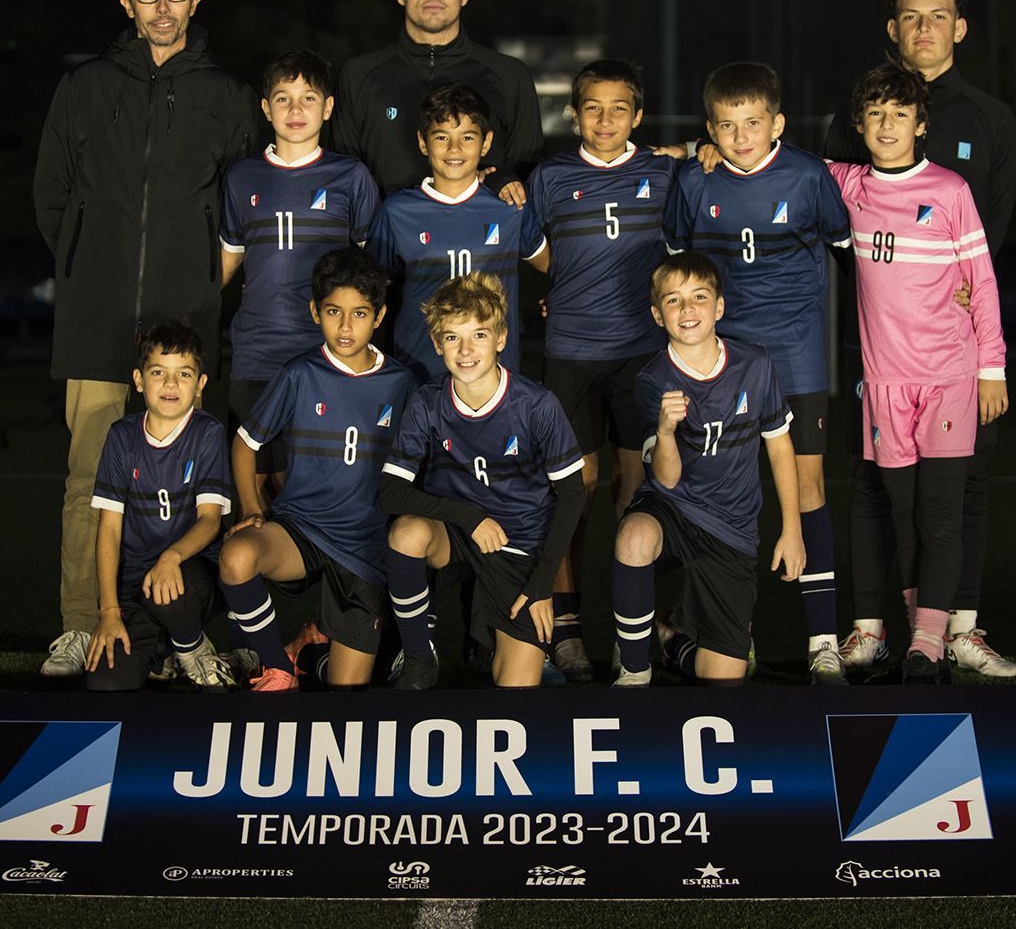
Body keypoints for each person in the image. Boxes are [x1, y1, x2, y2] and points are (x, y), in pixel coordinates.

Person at [33, 0, 260, 678]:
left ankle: (176, 633)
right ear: (126, 3)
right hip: (97, 324)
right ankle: (78, 625)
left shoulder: (226, 96)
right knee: (87, 479)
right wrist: (84, 269)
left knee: (194, 488)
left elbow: (240, 212)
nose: (161, 6)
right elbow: (52, 196)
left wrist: (201, 288)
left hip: (182, 331)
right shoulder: (86, 87)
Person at [823, 0, 1016, 678]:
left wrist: (973, 332)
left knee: (960, 490)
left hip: (955, 349)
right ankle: (874, 627)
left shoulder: (991, 122)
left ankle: (954, 628)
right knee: (875, 487)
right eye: (912, 15)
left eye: (939, 15)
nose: (926, 28)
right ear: (892, 28)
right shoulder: (851, 120)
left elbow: (985, 247)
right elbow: (827, 211)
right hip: (879, 350)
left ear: (960, 29)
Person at [665, 62, 852, 685]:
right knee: (720, 493)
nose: (741, 137)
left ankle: (823, 639)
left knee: (807, 488)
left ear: (776, 123)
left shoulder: (807, 175)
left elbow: (842, 243)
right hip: (722, 361)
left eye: (752, 124)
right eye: (726, 126)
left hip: (795, 353)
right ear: (709, 130)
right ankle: (726, 633)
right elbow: (676, 262)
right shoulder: (695, 179)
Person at [525, 59, 677, 681]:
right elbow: (536, 251)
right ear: (574, 112)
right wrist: (568, 283)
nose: (606, 119)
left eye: (620, 108)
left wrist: (696, 149)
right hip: (571, 353)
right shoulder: (550, 177)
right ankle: (565, 628)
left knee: (637, 490)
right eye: (592, 107)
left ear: (638, 116)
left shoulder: (667, 173)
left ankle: (638, 626)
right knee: (572, 493)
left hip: (642, 352)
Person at [215, 248, 418, 691]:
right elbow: (245, 444)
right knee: (236, 557)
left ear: (379, 315)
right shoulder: (299, 375)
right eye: (333, 312)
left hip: (365, 548)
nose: (345, 327)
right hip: (301, 529)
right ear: (315, 311)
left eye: (359, 313)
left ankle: (309, 654)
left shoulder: (402, 383)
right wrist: (252, 509)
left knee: (348, 689)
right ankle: (277, 666)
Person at [377, 273, 587, 689]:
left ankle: (515, 651)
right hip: (456, 534)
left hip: (518, 546)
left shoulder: (536, 405)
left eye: (479, 334)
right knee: (406, 534)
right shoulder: (427, 402)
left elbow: (573, 495)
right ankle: (419, 655)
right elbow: (390, 492)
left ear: (501, 338)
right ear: (437, 345)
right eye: (453, 338)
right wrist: (468, 516)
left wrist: (543, 584)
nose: (466, 350)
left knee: (516, 690)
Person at [610, 251, 805, 687]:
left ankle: (668, 641)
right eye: (674, 301)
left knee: (722, 682)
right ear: (658, 315)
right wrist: (664, 433)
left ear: (719, 306)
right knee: (633, 535)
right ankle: (634, 667)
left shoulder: (755, 364)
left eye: (698, 297)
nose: (687, 309)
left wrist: (791, 529)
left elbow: (779, 447)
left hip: (732, 527)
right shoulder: (651, 380)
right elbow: (667, 479)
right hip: (675, 508)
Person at [219, 51, 380, 509]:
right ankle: (265, 580)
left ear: (328, 107)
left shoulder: (351, 176)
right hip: (257, 351)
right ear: (265, 107)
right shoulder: (242, 175)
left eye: (308, 98)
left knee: (310, 482)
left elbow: (369, 275)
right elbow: (227, 264)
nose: (295, 111)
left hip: (325, 351)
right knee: (256, 481)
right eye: (283, 99)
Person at [331, 0, 542, 201]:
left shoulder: (510, 76)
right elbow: (343, 187)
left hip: (485, 242)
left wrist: (501, 179)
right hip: (385, 244)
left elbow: (527, 186)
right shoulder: (357, 77)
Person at [85, 321, 234, 691]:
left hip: (191, 574)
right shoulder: (121, 436)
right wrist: (108, 613)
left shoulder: (207, 433)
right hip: (136, 583)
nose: (170, 385)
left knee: (171, 592)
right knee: (106, 682)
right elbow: (109, 530)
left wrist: (171, 557)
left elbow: (210, 520)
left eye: (183, 374)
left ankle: (192, 648)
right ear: (139, 380)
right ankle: (165, 650)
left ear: (199, 384)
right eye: (158, 373)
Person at [366, 84, 547, 382]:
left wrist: (555, 297)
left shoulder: (510, 207)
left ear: (485, 143)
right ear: (423, 143)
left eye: (467, 137)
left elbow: (555, 266)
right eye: (441, 137)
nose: (455, 149)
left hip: (497, 373)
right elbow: (371, 294)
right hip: (418, 368)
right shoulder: (397, 211)